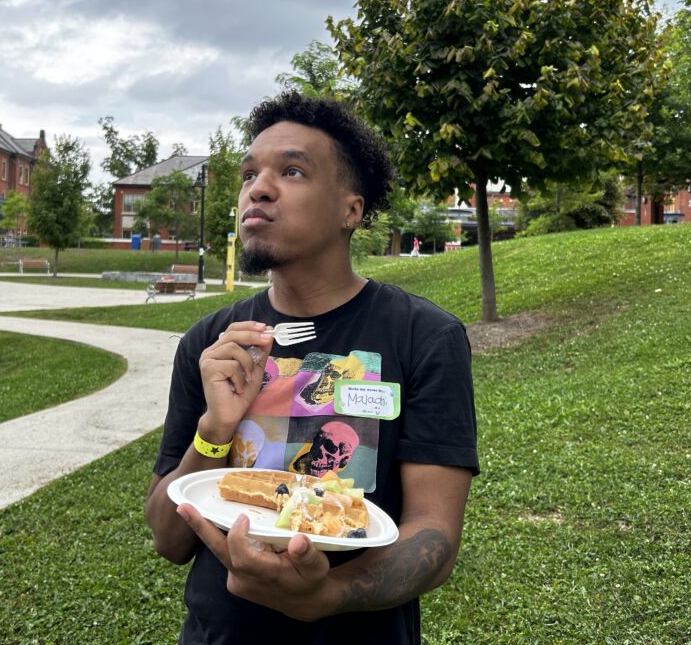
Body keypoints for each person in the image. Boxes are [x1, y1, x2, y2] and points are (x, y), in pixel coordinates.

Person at [145, 92, 478, 644]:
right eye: (250, 173)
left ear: (352, 209)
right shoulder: (210, 343)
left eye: (292, 171)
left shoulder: (424, 337)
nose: (259, 187)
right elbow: (167, 538)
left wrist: (327, 597)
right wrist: (213, 432)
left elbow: (434, 535)